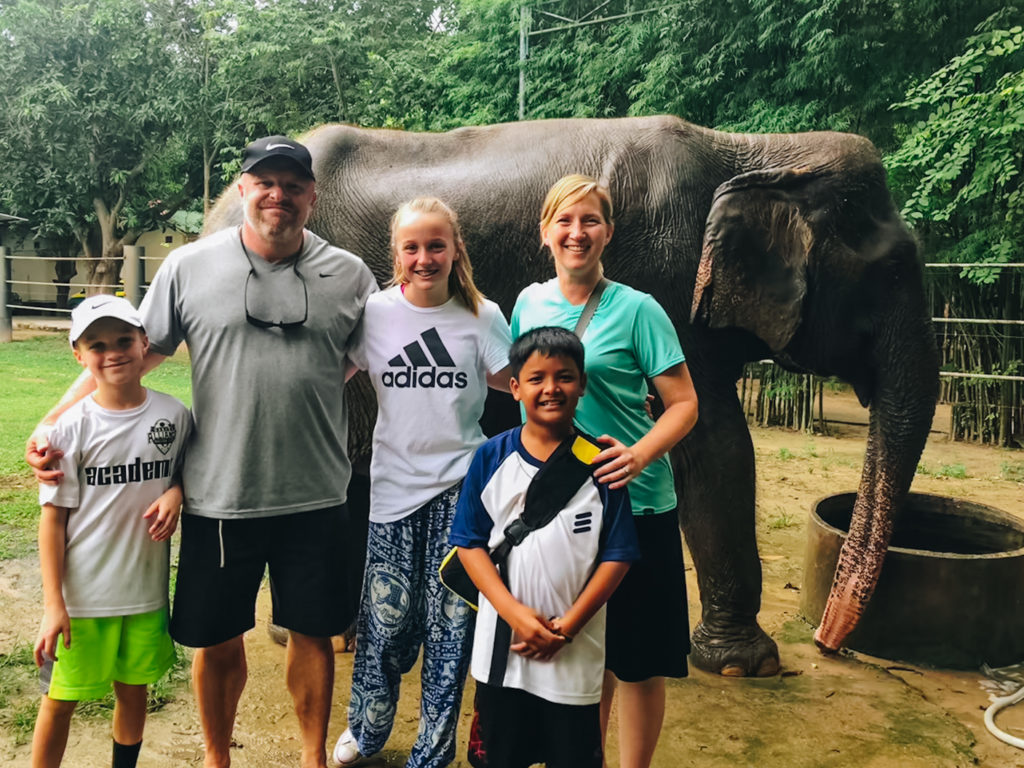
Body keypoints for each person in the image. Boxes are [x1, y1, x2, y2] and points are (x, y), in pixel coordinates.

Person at [26, 136, 377, 768]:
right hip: (220, 494)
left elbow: (360, 360)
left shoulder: (349, 274)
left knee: (313, 634)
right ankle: (218, 758)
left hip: (319, 493)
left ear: (313, 197)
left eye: (293, 185)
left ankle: (311, 757)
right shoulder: (188, 267)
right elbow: (137, 355)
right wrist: (51, 422)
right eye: (265, 182)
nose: (279, 195)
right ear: (243, 190)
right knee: (217, 640)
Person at [510, 174, 698, 768]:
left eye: (589, 221)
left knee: (637, 660)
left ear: (608, 233)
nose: (577, 233)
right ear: (545, 232)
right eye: (564, 221)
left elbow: (685, 403)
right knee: (582, 651)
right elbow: (526, 394)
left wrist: (640, 454)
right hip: (564, 512)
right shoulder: (528, 303)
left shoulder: (639, 310)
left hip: (635, 502)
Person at [332, 197, 512, 767]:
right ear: (396, 254)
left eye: (437, 245)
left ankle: (432, 753)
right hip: (391, 490)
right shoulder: (377, 313)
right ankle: (367, 729)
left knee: (451, 630)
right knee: (385, 624)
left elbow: (522, 384)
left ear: (456, 248)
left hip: (462, 491)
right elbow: (326, 375)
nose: (425, 257)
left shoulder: (483, 316)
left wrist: (599, 403)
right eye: (412, 247)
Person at [449, 326, 639, 768]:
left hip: (576, 654)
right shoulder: (491, 458)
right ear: (515, 388)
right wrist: (514, 615)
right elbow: (469, 545)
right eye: (536, 378)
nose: (551, 388)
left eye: (564, 377)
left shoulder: (601, 466)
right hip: (502, 652)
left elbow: (618, 554)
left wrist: (568, 627)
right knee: (499, 756)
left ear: (583, 384)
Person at [31, 296, 191, 768]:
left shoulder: (174, 415)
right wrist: (53, 605)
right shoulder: (69, 430)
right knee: (60, 700)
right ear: (78, 356)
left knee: (133, 691)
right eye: (97, 345)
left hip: (145, 594)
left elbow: (186, 471)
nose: (114, 352)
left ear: (145, 343)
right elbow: (53, 519)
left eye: (124, 340)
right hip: (82, 601)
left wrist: (176, 492)